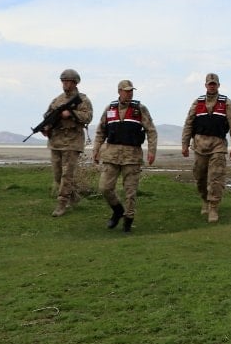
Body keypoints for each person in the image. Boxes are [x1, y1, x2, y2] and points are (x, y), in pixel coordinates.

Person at [92, 80, 158, 233]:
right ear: (119, 91)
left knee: (130, 192)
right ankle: (117, 210)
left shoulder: (140, 109)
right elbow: (101, 131)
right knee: (105, 188)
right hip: (111, 155)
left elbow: (151, 131)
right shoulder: (110, 109)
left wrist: (152, 150)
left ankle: (128, 220)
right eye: (126, 91)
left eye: (131, 91)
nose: (130, 93)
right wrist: (96, 150)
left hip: (132, 156)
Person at [181, 73, 231, 223]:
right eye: (210, 84)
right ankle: (204, 200)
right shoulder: (197, 103)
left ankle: (213, 207)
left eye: (214, 84)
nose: (212, 86)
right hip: (200, 145)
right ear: (206, 85)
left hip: (218, 145)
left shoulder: (226, 103)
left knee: (216, 177)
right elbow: (188, 124)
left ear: (218, 85)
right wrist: (184, 144)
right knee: (200, 176)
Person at [43, 68, 94, 217]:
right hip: (56, 141)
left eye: (68, 81)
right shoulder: (57, 100)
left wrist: (71, 113)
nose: (65, 84)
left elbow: (88, 117)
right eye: (63, 81)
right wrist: (46, 127)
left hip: (72, 142)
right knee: (58, 175)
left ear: (75, 82)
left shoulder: (83, 100)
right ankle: (73, 196)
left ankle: (61, 204)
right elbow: (48, 115)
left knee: (67, 175)